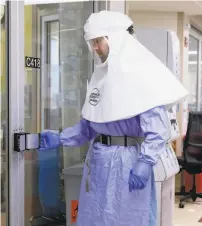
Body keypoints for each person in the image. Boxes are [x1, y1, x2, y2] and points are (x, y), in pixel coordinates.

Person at [38, 11, 188, 226]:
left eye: (98, 41)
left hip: (128, 163)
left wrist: (145, 162)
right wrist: (61, 138)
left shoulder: (141, 77)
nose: (95, 48)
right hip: (99, 162)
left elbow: (157, 130)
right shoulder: (100, 79)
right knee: (96, 217)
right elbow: (89, 127)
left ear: (115, 39)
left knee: (127, 218)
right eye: (92, 43)